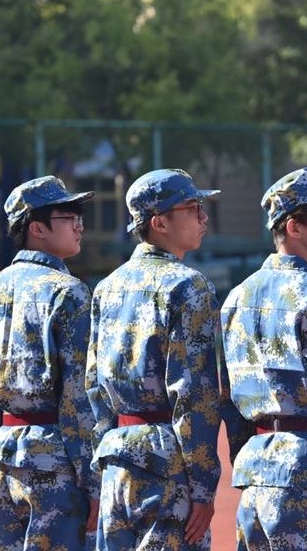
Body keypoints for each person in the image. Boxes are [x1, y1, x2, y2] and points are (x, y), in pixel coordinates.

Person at [220, 167, 307, 551]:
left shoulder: (236, 298)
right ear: (294, 227)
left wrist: (250, 463)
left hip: (256, 477)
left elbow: (229, 399)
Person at [86, 169, 222, 550]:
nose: (203, 217)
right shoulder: (189, 286)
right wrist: (203, 487)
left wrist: (102, 461)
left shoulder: (107, 287)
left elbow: (94, 387)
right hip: (167, 465)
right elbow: (193, 394)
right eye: (192, 208)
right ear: (159, 223)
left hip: (116, 458)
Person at [0, 176, 100, 550]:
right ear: (37, 228)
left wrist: (3, 435)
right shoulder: (69, 293)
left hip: (1, 457)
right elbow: (77, 397)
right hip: (55, 463)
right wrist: (93, 482)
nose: (79, 225)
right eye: (68, 216)